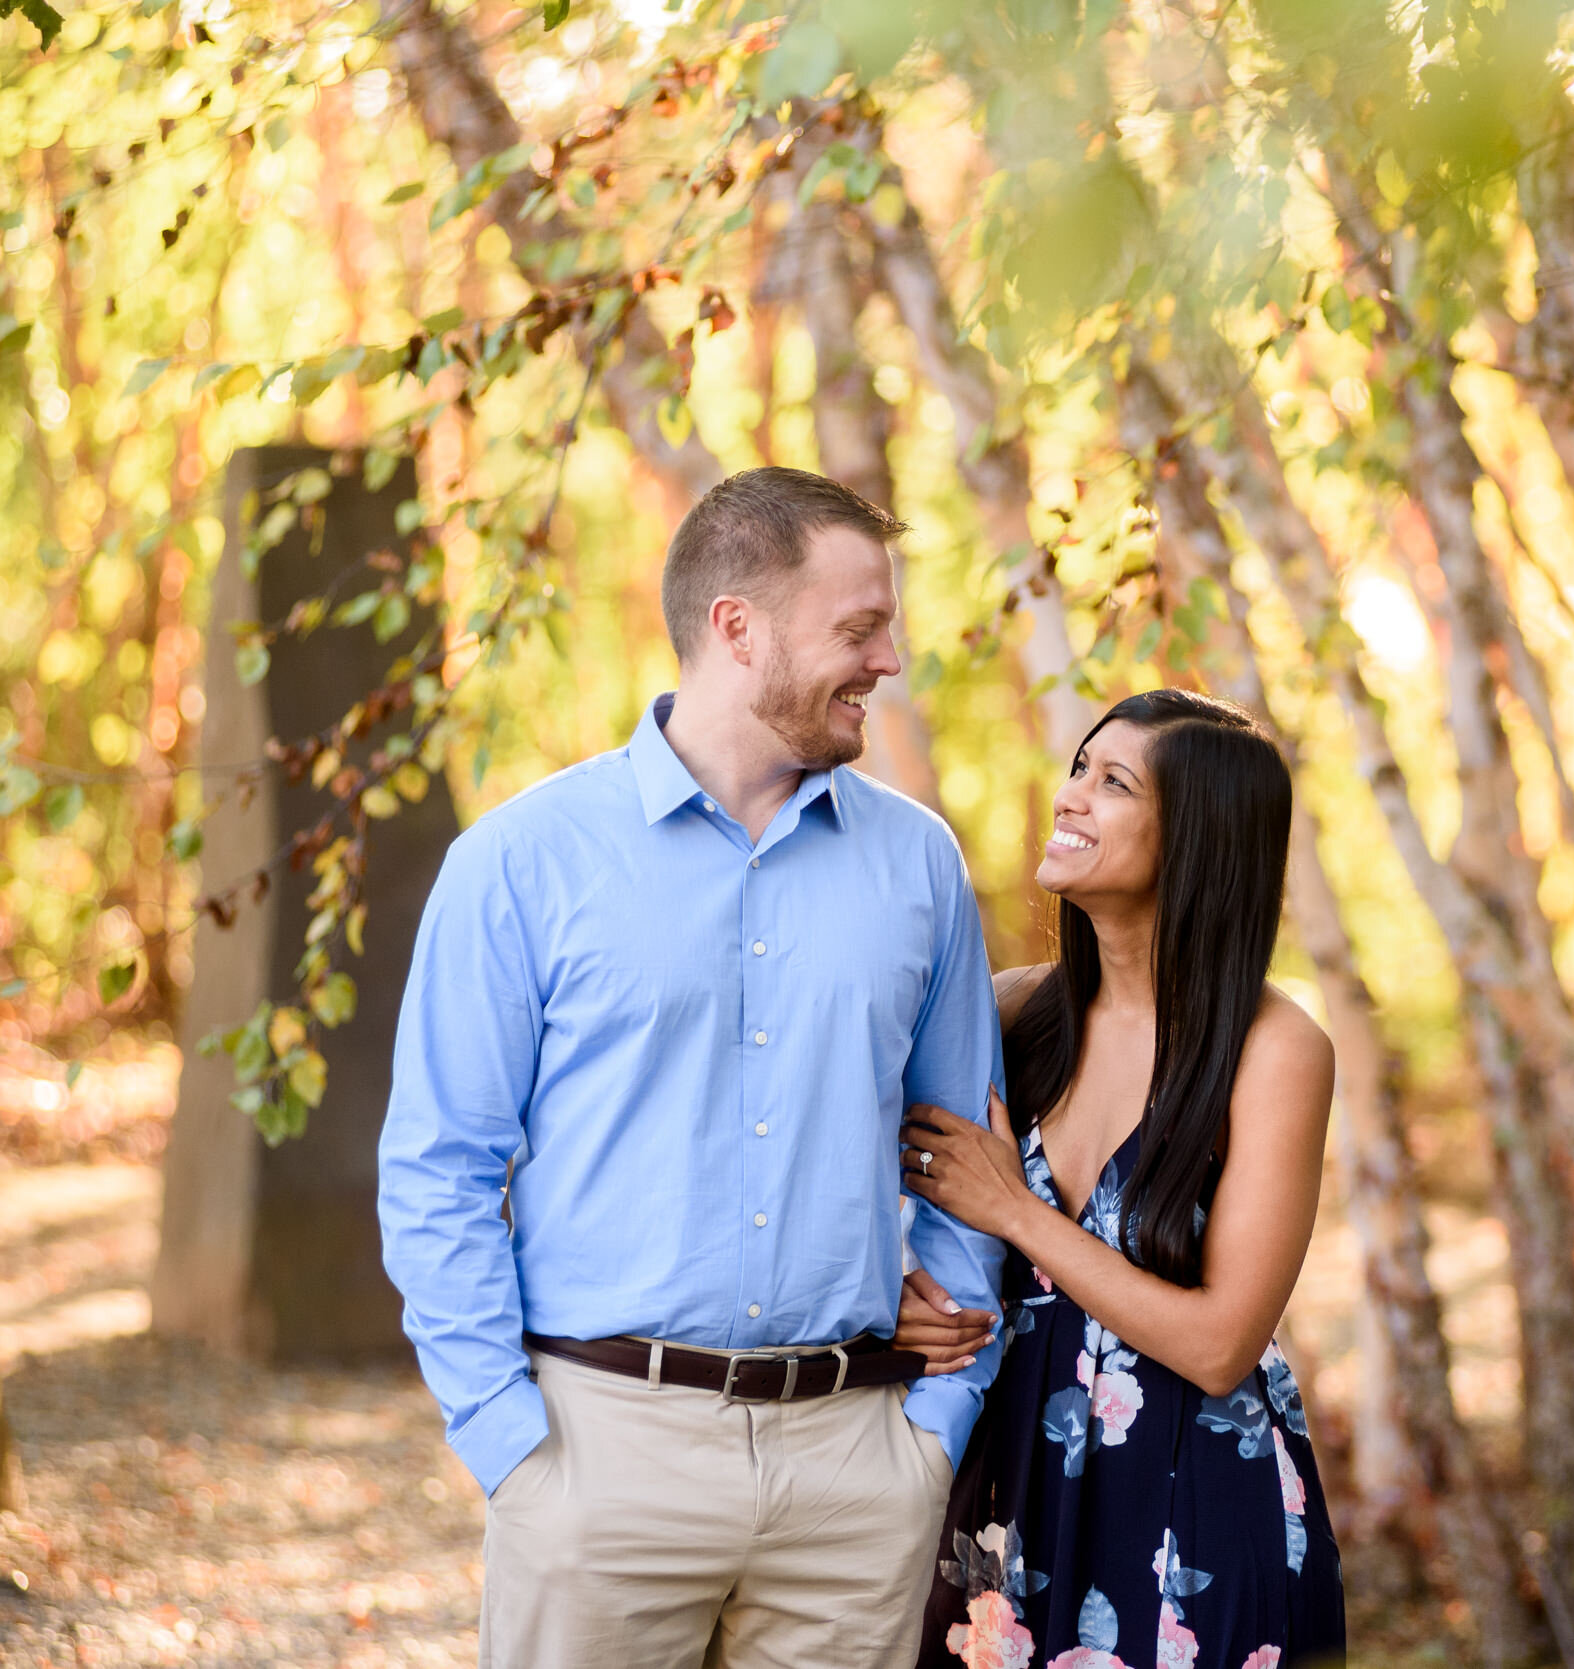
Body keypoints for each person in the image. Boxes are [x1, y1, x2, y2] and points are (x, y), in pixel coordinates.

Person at [377, 467, 1006, 1669]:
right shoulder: (521, 862)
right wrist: (513, 1443)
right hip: (598, 1455)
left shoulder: (919, 864)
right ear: (738, 629)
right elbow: (438, 1169)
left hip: (853, 1473)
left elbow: (963, 1149)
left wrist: (929, 1434)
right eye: (858, 628)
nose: (887, 660)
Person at [899, 689, 1347, 1669]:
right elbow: (866, 1178)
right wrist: (892, 1304)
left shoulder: (1274, 1051)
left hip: (1190, 1507)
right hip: (1004, 1497)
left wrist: (1016, 1212)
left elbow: (1223, 1342)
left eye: (1113, 783)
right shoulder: (1015, 1012)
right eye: (1078, 769)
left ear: (1197, 838)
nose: (1070, 798)